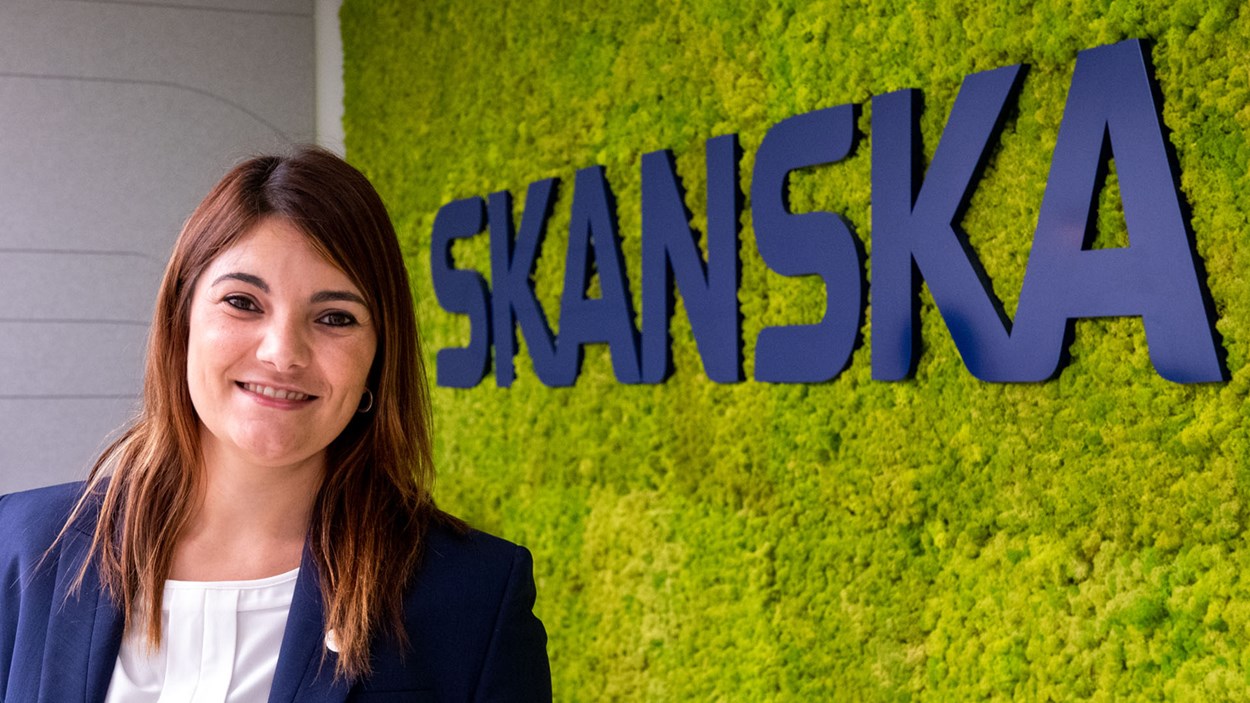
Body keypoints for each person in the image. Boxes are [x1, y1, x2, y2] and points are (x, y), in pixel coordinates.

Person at [0, 147, 552, 701]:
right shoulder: (23, 548)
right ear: (181, 320)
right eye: (243, 302)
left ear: (378, 360)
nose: (283, 352)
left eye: (336, 317)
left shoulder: (473, 596)